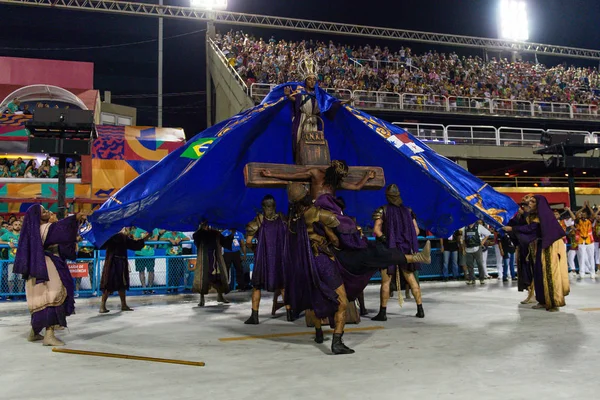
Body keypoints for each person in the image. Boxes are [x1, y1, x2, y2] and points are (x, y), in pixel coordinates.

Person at [285, 183, 430, 355]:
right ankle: (337, 342)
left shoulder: (291, 222)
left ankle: (318, 333)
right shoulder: (318, 214)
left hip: (305, 265)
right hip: (323, 262)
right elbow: (340, 235)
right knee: (343, 301)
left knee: (317, 297)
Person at [13, 205, 87, 346]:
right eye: (45, 212)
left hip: (37, 268)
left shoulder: (33, 233)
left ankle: (34, 333)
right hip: (48, 267)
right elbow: (61, 228)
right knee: (53, 297)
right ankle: (49, 335)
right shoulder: (45, 228)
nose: (48, 212)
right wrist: (75, 218)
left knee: (40, 300)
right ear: (38, 217)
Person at [503, 195, 569, 311]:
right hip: (540, 246)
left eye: (533, 201)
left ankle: (553, 302)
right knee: (538, 273)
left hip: (550, 246)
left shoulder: (544, 216)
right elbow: (523, 225)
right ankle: (542, 300)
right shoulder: (532, 216)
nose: (529, 203)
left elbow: (530, 229)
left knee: (549, 274)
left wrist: (512, 229)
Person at [371, 184, 425, 321]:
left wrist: (387, 239)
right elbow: (417, 231)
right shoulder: (408, 211)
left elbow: (377, 230)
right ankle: (420, 309)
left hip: (389, 250)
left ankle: (382, 313)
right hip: (406, 249)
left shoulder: (382, 210)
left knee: (386, 282)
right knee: (411, 279)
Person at [244, 195, 290, 324]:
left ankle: (254, 316)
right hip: (280, 258)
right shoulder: (283, 219)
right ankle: (289, 313)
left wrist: (256, 249)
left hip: (263, 258)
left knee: (257, 286)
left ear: (263, 206)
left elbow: (248, 242)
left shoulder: (258, 220)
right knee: (283, 286)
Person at [99, 228, 147, 313]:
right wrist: (122, 234)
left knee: (122, 284)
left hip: (121, 262)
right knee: (108, 283)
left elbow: (134, 245)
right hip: (112, 262)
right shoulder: (112, 236)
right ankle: (102, 306)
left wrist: (144, 238)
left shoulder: (123, 237)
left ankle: (123, 304)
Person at [192, 223, 232, 307]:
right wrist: (201, 229)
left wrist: (232, 234)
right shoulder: (199, 234)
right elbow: (196, 239)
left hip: (217, 259)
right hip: (205, 259)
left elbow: (225, 242)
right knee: (203, 278)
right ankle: (201, 299)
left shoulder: (216, 233)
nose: (206, 226)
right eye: (204, 225)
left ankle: (220, 296)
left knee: (219, 277)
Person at [566, 203, 595, 279]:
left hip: (590, 241)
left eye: (584, 214)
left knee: (591, 257)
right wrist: (582, 208)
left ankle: (593, 272)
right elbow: (576, 214)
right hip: (581, 241)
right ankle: (582, 273)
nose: (583, 215)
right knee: (582, 257)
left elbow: (593, 215)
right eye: (582, 214)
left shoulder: (589, 221)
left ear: (587, 215)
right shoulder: (578, 221)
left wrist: (588, 207)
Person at [461, 221, 491, 285]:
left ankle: (482, 279)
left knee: (480, 264)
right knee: (470, 265)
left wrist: (482, 242)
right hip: (468, 249)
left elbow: (488, 233)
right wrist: (463, 249)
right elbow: (463, 239)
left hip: (477, 248)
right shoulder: (465, 228)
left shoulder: (479, 227)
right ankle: (472, 279)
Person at [131, 227, 159, 294]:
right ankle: (144, 288)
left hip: (150, 254)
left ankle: (150, 287)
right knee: (141, 271)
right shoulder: (139, 229)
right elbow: (135, 239)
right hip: (139, 253)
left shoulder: (154, 229)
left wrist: (142, 240)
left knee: (151, 271)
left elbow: (155, 239)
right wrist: (148, 239)